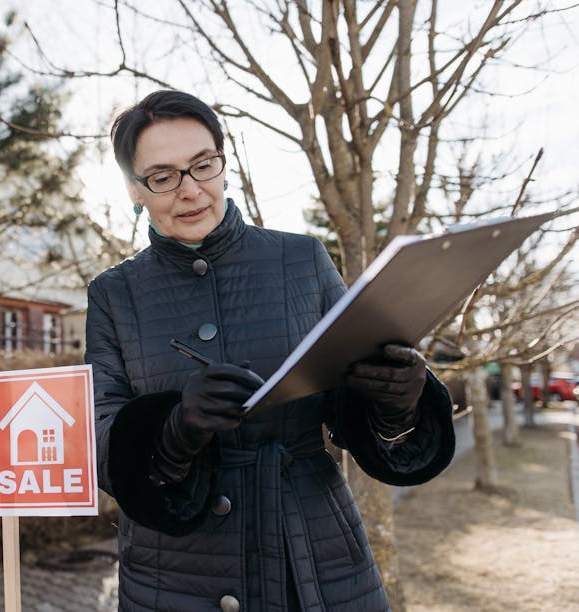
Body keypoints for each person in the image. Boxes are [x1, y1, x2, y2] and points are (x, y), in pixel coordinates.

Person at [84, 89, 455, 611]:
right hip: (173, 574)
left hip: (312, 557)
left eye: (202, 166)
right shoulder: (113, 294)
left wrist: (399, 398)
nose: (190, 191)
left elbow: (350, 415)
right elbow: (98, 434)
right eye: (163, 177)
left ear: (223, 164)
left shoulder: (301, 259)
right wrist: (173, 429)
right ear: (133, 188)